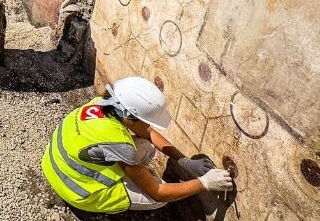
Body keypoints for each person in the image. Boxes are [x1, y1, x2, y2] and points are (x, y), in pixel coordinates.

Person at [42, 76, 234, 214]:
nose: (149, 126)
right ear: (132, 119)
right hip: (77, 191)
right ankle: (102, 203)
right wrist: (204, 183)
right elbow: (158, 193)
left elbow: (149, 134)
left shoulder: (102, 104)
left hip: (54, 165)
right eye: (145, 120)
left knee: (147, 146)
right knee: (156, 200)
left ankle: (135, 178)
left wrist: (183, 160)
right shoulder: (119, 143)